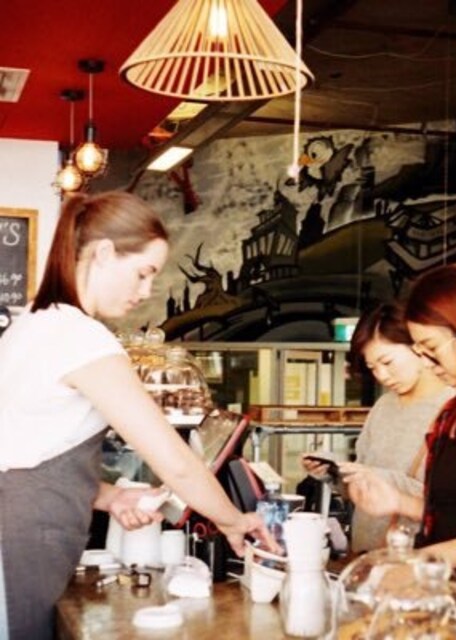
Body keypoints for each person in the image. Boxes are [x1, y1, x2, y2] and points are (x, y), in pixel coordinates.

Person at [0, 192, 275, 640]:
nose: (146, 292)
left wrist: (109, 496)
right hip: (17, 544)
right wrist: (234, 521)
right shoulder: (80, 338)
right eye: (143, 273)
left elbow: (25, 451)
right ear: (104, 253)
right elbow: (175, 462)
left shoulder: (34, 322)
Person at [342, 265, 456, 614]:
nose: (427, 363)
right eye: (419, 349)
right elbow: (450, 512)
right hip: (440, 596)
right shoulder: (451, 412)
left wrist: (419, 563)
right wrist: (397, 501)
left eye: (430, 347)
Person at [303, 303, 455, 552]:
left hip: (416, 557)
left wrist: (375, 476)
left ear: (418, 347)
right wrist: (335, 472)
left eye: (387, 362)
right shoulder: (383, 406)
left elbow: (453, 505)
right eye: (373, 368)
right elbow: (362, 487)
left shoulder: (453, 408)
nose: (382, 376)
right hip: (367, 552)